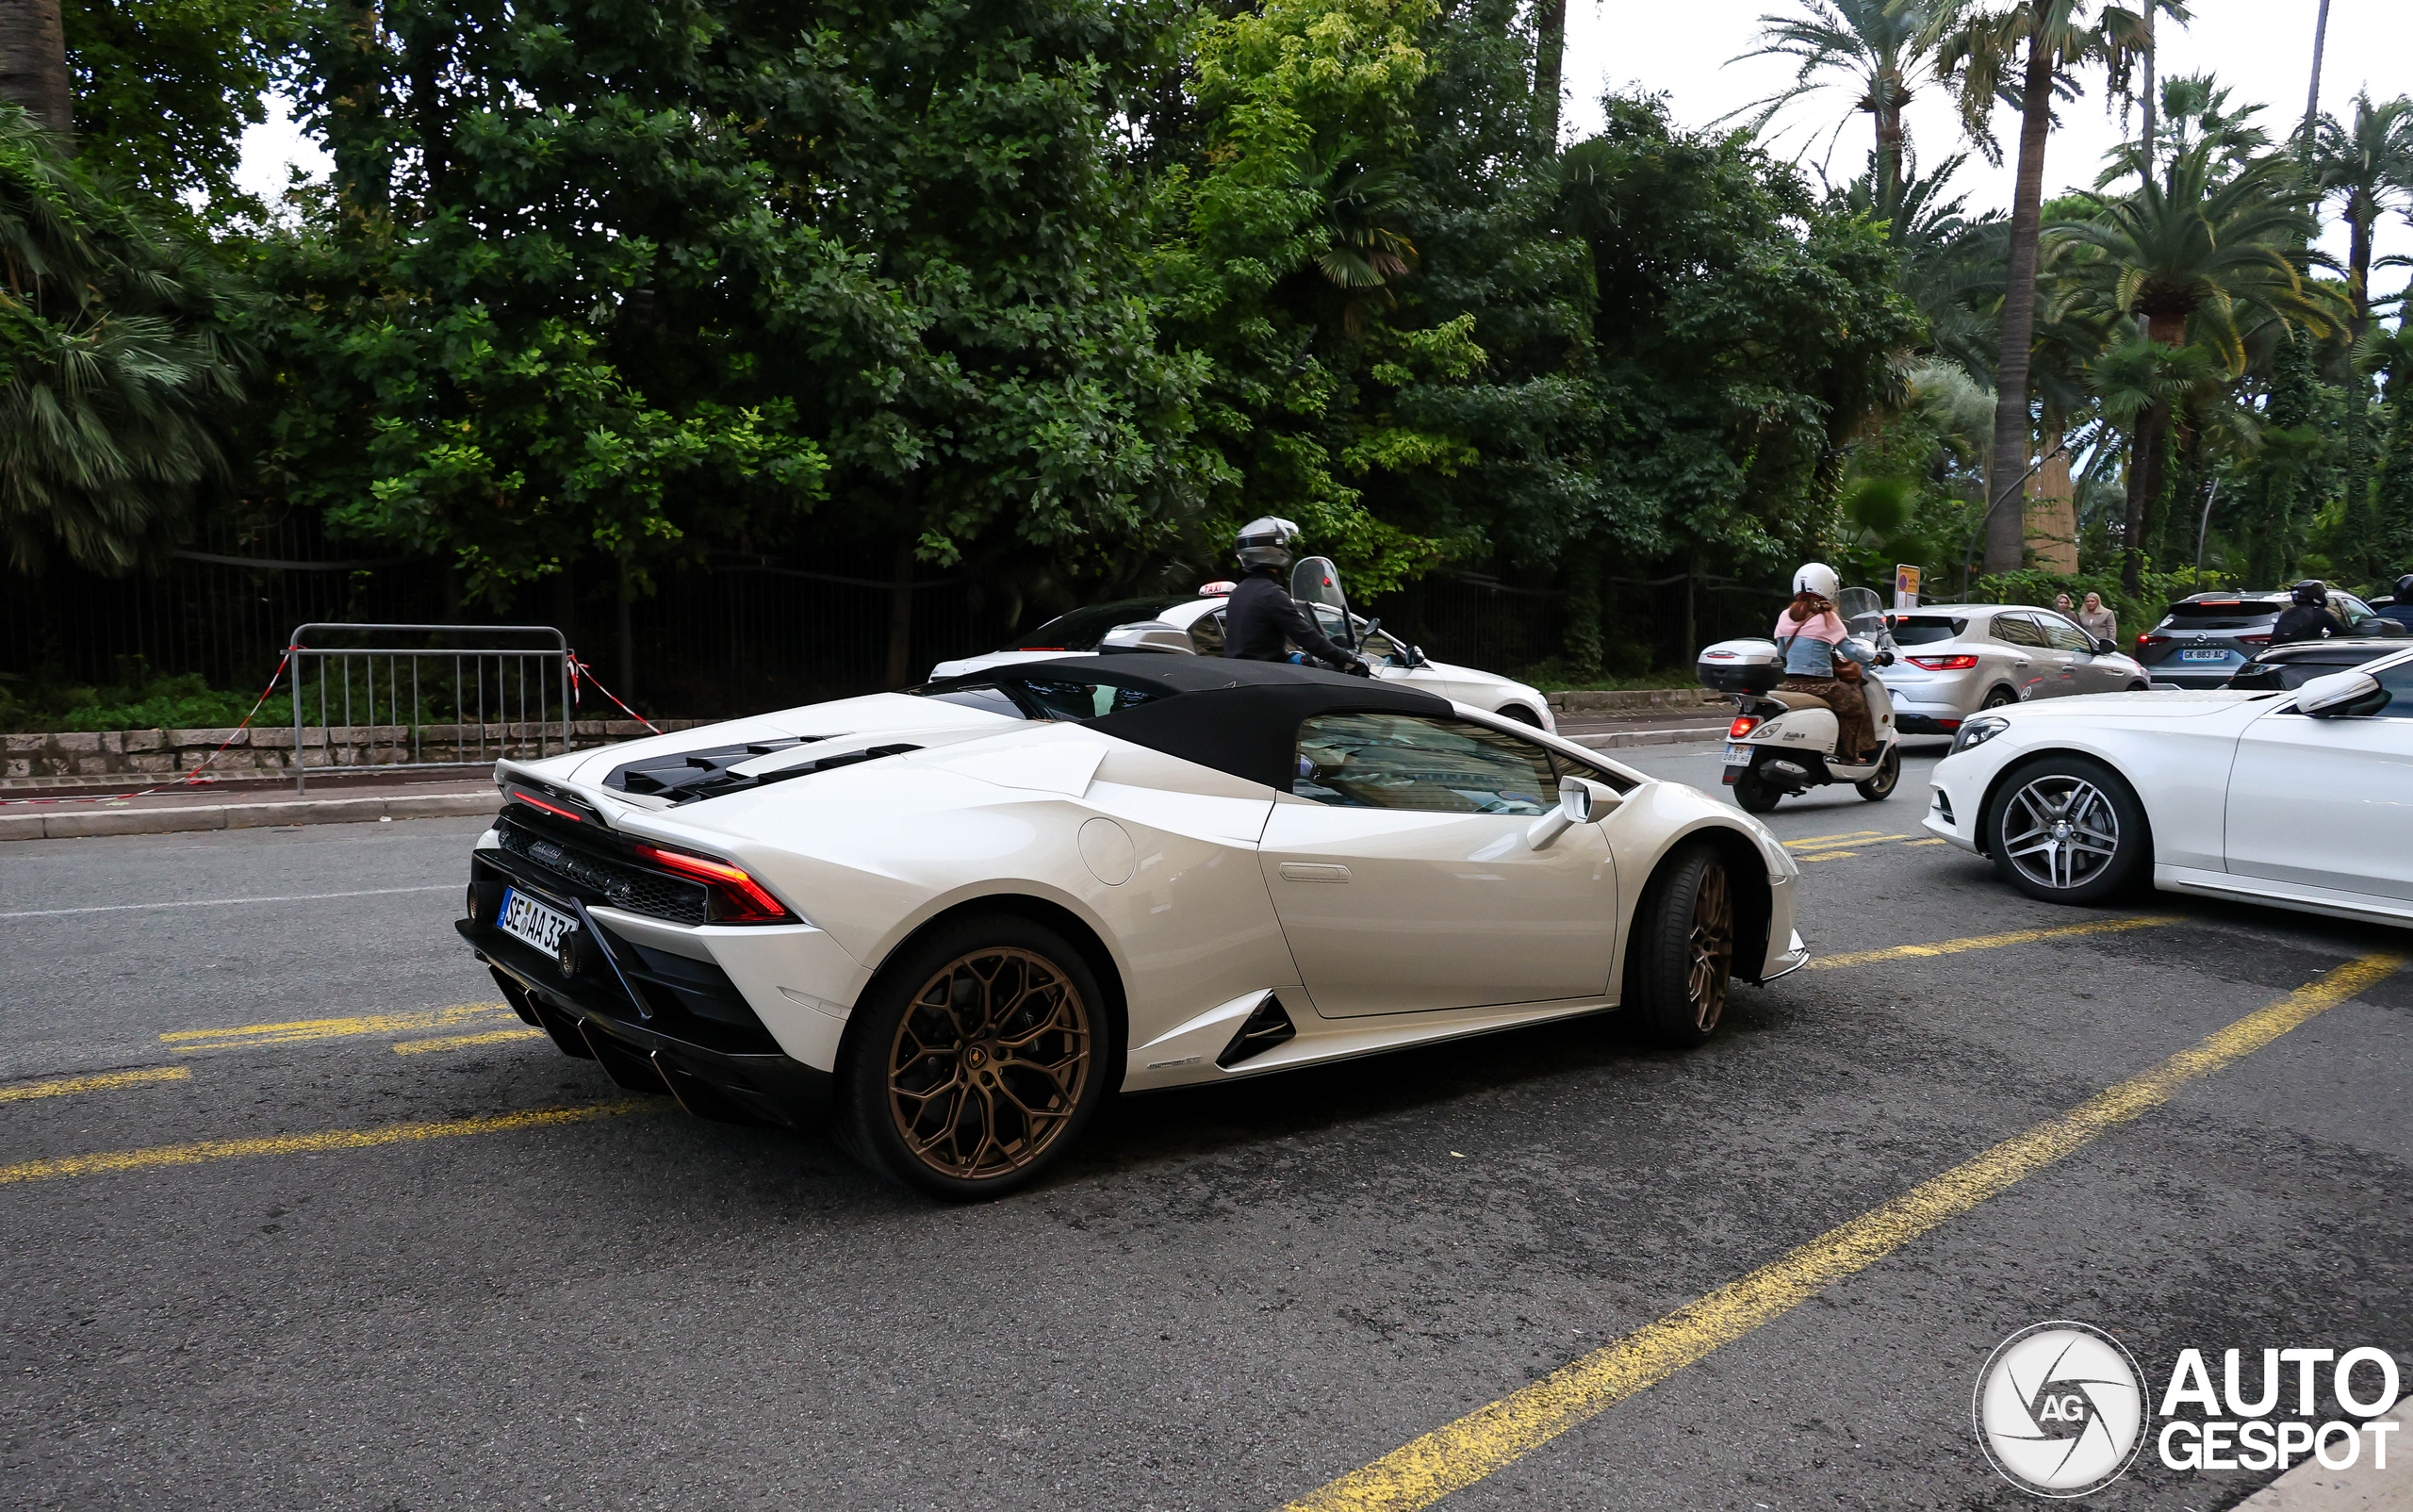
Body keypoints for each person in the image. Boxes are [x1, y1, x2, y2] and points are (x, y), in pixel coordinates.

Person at [1221, 518, 1368, 673]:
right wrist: (1349, 661)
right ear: (1275, 551)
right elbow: (1307, 637)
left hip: (1242, 674)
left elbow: (1255, 642)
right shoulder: (1271, 594)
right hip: (1264, 679)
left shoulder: (1239, 591)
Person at [1771, 562, 1880, 762]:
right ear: (1829, 587)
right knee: (1855, 703)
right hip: (1821, 685)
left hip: (1792, 684)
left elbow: (1781, 651)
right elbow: (1852, 651)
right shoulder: (1827, 616)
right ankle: (1849, 755)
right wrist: (1876, 657)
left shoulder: (1786, 615)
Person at [2270, 580, 2348, 646]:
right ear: (2316, 595)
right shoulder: (2319, 612)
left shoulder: (2289, 611)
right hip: (2307, 652)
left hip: (2282, 652)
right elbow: (2341, 632)